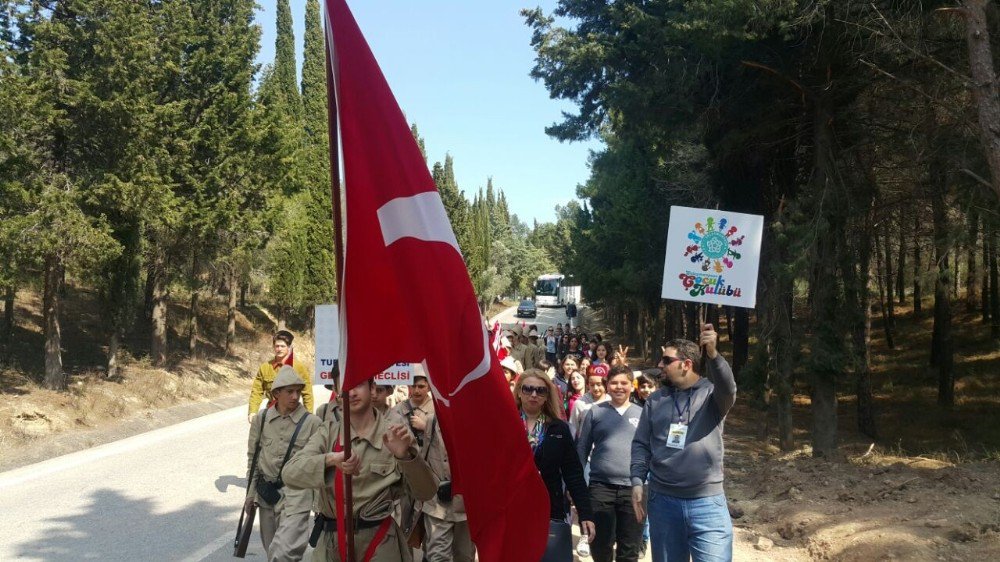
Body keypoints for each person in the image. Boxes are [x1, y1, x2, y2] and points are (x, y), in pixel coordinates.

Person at [282, 379, 438, 562]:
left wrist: (406, 457)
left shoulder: (395, 435)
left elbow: (427, 492)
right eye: (344, 386)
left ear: (372, 389)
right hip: (332, 543)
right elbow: (289, 474)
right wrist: (330, 460)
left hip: (379, 543)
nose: (352, 393)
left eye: (357, 384)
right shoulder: (328, 433)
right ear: (337, 392)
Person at [631, 324, 737, 562]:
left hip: (707, 503)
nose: (659, 365)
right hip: (663, 502)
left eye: (666, 360)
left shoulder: (712, 395)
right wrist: (637, 480)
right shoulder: (655, 400)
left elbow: (728, 388)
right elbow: (641, 444)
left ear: (686, 364)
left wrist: (713, 354)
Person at [514, 370, 595, 562]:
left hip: (550, 506)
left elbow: (573, 473)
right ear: (519, 392)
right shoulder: (506, 425)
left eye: (540, 391)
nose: (534, 394)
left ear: (546, 396)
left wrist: (585, 513)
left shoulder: (559, 428)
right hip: (514, 507)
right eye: (528, 389)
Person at [245, 367, 323, 562]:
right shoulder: (262, 419)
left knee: (283, 553)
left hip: (297, 494)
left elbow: (320, 464)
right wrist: (250, 493)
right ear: (276, 394)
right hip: (266, 495)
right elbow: (253, 459)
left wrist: (320, 503)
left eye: (298, 391)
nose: (295, 396)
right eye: (290, 391)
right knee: (272, 550)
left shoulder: (312, 422)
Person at [577, 366, 644, 562]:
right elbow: (582, 449)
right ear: (607, 385)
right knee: (600, 544)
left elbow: (651, 450)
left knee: (630, 547)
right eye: (614, 383)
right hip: (600, 488)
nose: (619, 387)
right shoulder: (595, 412)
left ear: (632, 386)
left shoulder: (642, 413)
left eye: (624, 383)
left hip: (634, 489)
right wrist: (577, 483)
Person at [249, 330, 315, 422]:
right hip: (271, 414)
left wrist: (309, 416)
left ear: (289, 347)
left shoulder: (299, 367)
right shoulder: (265, 367)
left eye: (282, 346)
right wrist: (253, 411)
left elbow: (307, 393)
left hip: (293, 415)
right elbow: (256, 391)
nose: (279, 349)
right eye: (277, 346)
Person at [568, 363, 610, 438]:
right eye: (592, 385)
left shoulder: (612, 401)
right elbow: (572, 429)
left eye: (599, 384)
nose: (595, 388)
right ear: (587, 384)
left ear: (605, 384)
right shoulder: (579, 403)